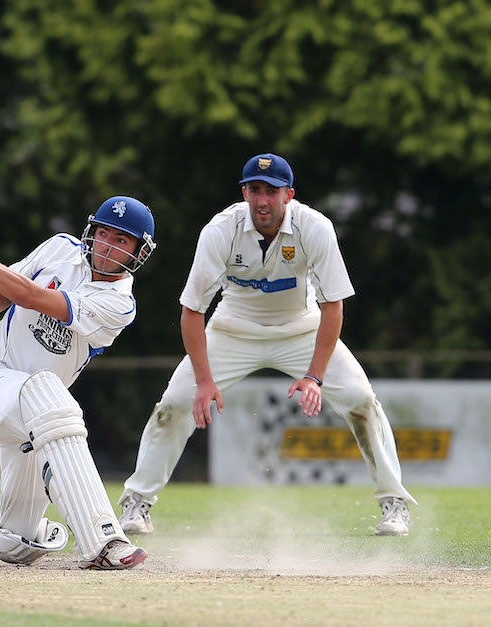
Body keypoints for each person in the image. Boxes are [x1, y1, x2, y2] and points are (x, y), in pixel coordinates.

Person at [117, 153, 416, 537]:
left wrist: (314, 377)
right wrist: (205, 382)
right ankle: (137, 504)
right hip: (232, 329)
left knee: (361, 399)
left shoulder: (315, 228)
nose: (262, 200)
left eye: (271, 191)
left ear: (288, 195)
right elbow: (191, 312)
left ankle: (394, 504)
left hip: (300, 328)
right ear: (244, 192)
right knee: (173, 405)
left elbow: (333, 307)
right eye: (254, 190)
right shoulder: (219, 231)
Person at [0, 196, 157, 570]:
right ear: (92, 230)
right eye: (104, 232)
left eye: (121, 240)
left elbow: (32, 297)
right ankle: (103, 540)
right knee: (48, 392)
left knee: (18, 541)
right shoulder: (60, 247)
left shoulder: (119, 304)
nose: (107, 245)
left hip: (36, 421)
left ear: (139, 252)